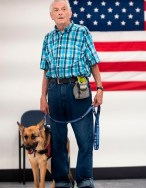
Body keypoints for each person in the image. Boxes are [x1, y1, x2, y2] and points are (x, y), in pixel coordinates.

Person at [40, 0, 103, 187]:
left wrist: (100, 88)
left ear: (70, 13)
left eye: (64, 9)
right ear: (51, 15)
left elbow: (93, 62)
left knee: (85, 140)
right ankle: (61, 181)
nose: (60, 13)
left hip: (79, 90)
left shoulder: (82, 32)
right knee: (58, 141)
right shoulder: (48, 38)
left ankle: (84, 180)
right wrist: (43, 97)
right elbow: (46, 70)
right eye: (56, 10)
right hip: (54, 90)